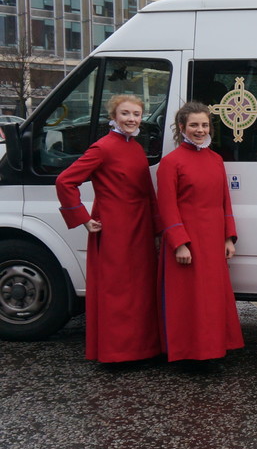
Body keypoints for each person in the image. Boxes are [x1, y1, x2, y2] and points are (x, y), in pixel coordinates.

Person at [55, 94, 162, 363]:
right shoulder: (102, 147)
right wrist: (82, 217)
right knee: (118, 291)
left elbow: (148, 193)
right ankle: (117, 353)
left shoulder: (136, 147)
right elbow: (65, 181)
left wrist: (158, 228)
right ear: (113, 117)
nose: (131, 119)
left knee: (141, 290)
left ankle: (142, 349)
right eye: (125, 113)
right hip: (114, 228)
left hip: (140, 227)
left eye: (136, 114)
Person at [157, 101, 243, 363]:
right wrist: (179, 243)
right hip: (188, 242)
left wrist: (229, 237)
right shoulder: (170, 163)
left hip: (214, 240)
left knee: (211, 300)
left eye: (204, 125)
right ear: (182, 127)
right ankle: (188, 354)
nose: (200, 130)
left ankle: (212, 350)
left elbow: (225, 201)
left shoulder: (216, 160)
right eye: (194, 125)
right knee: (188, 301)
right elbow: (167, 206)